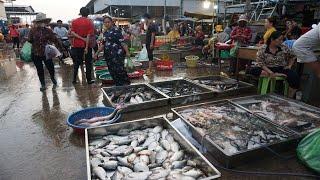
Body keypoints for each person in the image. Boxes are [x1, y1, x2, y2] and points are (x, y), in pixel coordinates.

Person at [248, 31, 299, 97]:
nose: (281, 41)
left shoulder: (283, 47)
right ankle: (272, 76)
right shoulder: (263, 48)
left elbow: (293, 56)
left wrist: (289, 66)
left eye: (282, 40)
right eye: (279, 39)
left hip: (280, 68)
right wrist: (271, 72)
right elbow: (260, 63)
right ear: (272, 39)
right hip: (267, 68)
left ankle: (289, 97)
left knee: (294, 76)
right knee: (253, 70)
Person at [28, 13, 63, 91]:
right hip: (35, 53)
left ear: (45, 22)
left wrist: (61, 50)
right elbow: (30, 40)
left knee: (51, 67)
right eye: (39, 22)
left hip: (46, 53)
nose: (41, 23)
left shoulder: (48, 30)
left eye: (42, 21)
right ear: (36, 22)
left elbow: (55, 40)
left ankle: (52, 78)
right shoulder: (32, 30)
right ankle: (43, 84)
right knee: (39, 70)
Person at [94, 16, 130, 86]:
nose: (107, 24)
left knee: (120, 70)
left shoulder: (116, 30)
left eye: (108, 22)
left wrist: (127, 52)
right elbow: (103, 44)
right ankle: (118, 84)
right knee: (112, 71)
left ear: (112, 22)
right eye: (105, 22)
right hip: (108, 55)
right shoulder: (105, 32)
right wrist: (96, 53)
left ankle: (126, 84)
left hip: (117, 55)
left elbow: (122, 42)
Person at [70, 7, 95, 84]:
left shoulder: (74, 21)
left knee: (77, 62)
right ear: (88, 13)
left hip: (76, 44)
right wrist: (86, 46)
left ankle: (74, 79)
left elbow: (72, 33)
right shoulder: (89, 22)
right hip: (86, 44)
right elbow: (88, 35)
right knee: (88, 62)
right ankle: (89, 80)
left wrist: (80, 38)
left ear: (80, 13)